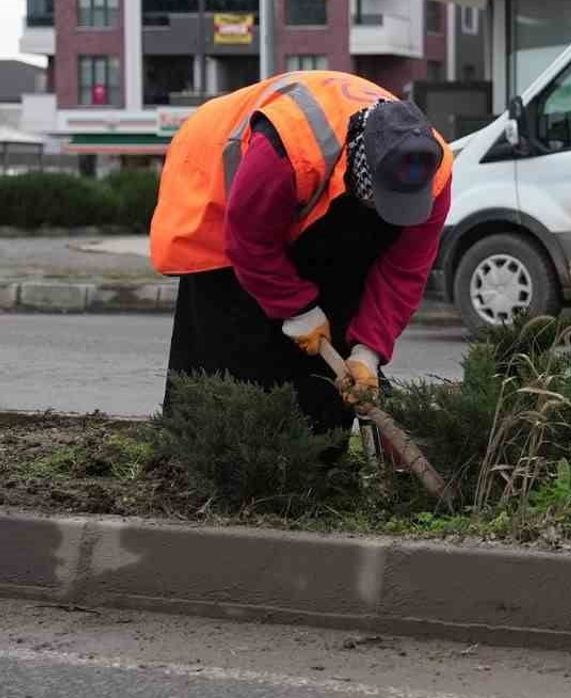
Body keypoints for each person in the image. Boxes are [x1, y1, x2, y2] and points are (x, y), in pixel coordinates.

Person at [150, 70, 453, 434]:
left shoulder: (430, 173)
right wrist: (296, 307)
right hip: (217, 179)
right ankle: (200, 449)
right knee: (228, 342)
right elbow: (249, 240)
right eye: (382, 201)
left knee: (327, 358)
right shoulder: (288, 150)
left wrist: (368, 350)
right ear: (357, 171)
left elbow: (403, 271)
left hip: (310, 196)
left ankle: (315, 458)